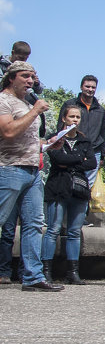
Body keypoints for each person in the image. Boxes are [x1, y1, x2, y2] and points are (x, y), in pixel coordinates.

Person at [0, 61, 59, 291]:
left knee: (34, 224)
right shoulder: (3, 100)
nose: (30, 81)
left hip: (33, 170)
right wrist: (35, 111)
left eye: (33, 77)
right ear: (11, 78)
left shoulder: (26, 102)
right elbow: (8, 131)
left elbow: (28, 139)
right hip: (9, 169)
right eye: (25, 76)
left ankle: (33, 276)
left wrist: (49, 145)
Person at [41, 105, 97, 285]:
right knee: (53, 229)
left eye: (77, 117)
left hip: (79, 190)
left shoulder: (85, 142)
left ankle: (73, 273)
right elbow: (58, 159)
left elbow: (92, 164)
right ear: (64, 119)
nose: (74, 120)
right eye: (71, 116)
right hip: (58, 188)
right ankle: (46, 272)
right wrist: (80, 159)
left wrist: (71, 162)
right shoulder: (55, 140)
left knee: (74, 232)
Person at [59, 75, 105, 187]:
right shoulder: (70, 105)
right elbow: (61, 127)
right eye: (87, 86)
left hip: (94, 151)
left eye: (93, 87)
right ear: (81, 87)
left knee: (87, 185)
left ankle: (84, 205)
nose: (90, 90)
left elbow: (102, 133)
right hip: (74, 148)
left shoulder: (100, 109)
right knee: (70, 180)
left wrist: (102, 155)